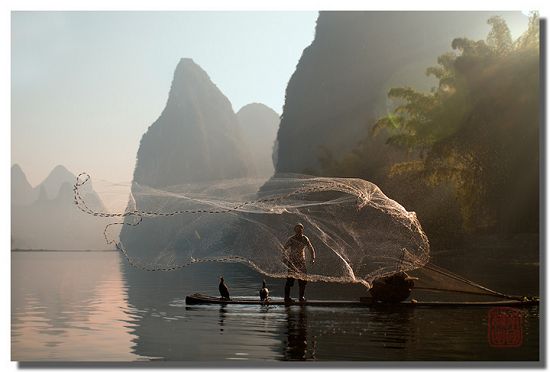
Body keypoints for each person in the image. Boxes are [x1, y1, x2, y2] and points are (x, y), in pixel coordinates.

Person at [283, 223, 316, 302]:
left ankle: (301, 297)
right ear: (295, 231)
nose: (299, 231)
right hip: (292, 262)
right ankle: (287, 298)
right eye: (297, 230)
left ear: (302, 230)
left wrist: (313, 258)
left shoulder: (305, 239)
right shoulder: (291, 239)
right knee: (290, 280)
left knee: (303, 280)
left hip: (301, 262)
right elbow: (284, 248)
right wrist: (284, 257)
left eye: (300, 229)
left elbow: (311, 248)